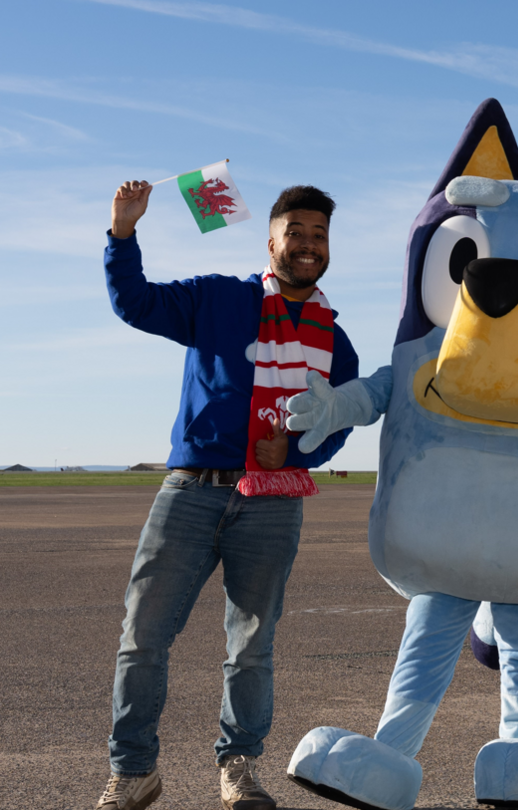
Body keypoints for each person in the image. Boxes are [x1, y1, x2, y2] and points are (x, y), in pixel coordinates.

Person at [96, 181, 360, 810]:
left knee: (252, 646)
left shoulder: (335, 341)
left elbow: (340, 422)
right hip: (191, 492)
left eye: (318, 235)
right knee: (144, 637)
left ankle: (238, 768)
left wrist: (296, 454)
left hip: (273, 504)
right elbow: (134, 302)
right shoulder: (217, 298)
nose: (307, 244)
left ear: (328, 248)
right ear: (270, 240)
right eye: (294, 232)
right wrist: (123, 233)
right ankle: (134, 772)